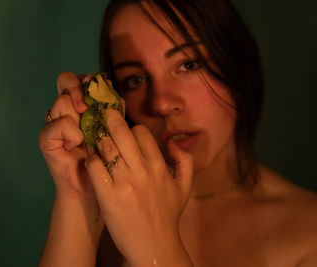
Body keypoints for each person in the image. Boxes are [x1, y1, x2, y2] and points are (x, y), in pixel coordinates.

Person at [38, 0, 317, 266]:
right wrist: (78, 197)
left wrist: (155, 246)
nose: (161, 103)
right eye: (135, 80)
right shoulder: (105, 217)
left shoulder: (308, 233)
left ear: (236, 63)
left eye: (188, 65)